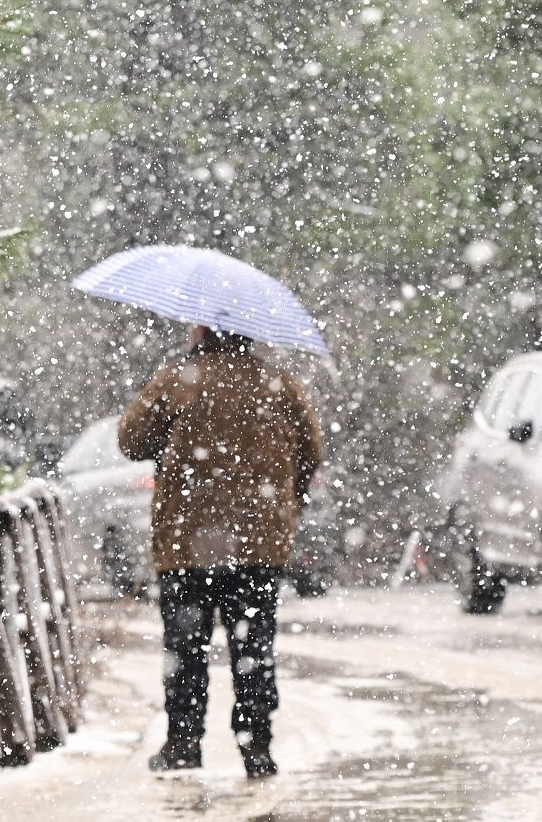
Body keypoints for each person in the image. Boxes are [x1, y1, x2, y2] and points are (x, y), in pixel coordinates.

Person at [118, 324, 323, 779]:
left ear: (202, 329)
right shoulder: (278, 384)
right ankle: (257, 747)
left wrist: (175, 438)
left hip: (186, 545)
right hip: (258, 545)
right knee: (253, 649)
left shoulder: (178, 381)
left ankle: (184, 742)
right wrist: (285, 502)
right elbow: (311, 452)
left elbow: (131, 442)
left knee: (185, 649)